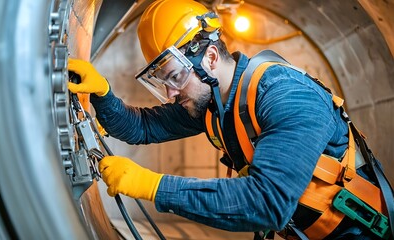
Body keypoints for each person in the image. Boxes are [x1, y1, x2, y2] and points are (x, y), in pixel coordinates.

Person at [68, 0, 393, 239]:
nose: (170, 93)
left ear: (209, 57)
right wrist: (102, 94)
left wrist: (155, 186)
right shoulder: (213, 104)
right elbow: (141, 128)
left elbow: (267, 203)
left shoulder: (286, 96)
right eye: (162, 82)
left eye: (175, 78)